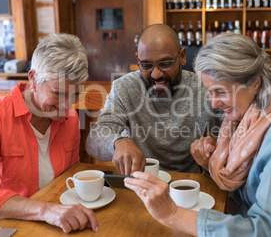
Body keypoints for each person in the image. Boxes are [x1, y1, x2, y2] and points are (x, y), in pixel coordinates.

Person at [124, 33, 271, 236]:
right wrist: (210, 163)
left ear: (255, 81)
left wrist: (172, 214)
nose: (214, 102)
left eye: (221, 91)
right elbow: (243, 192)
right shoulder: (244, 121)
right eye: (209, 92)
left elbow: (269, 230)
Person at [0, 34, 99, 236]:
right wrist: (44, 211)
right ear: (33, 79)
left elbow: (67, 180)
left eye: (75, 94)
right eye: (58, 93)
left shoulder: (70, 118)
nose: (67, 106)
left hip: (44, 225)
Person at [86, 24, 222, 175]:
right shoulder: (124, 88)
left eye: (165, 64)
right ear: (138, 59)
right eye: (146, 65)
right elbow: (94, 139)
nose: (156, 74)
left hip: (186, 185)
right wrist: (117, 142)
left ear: (182, 56)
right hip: (139, 184)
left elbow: (234, 134)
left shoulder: (204, 88)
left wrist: (215, 147)